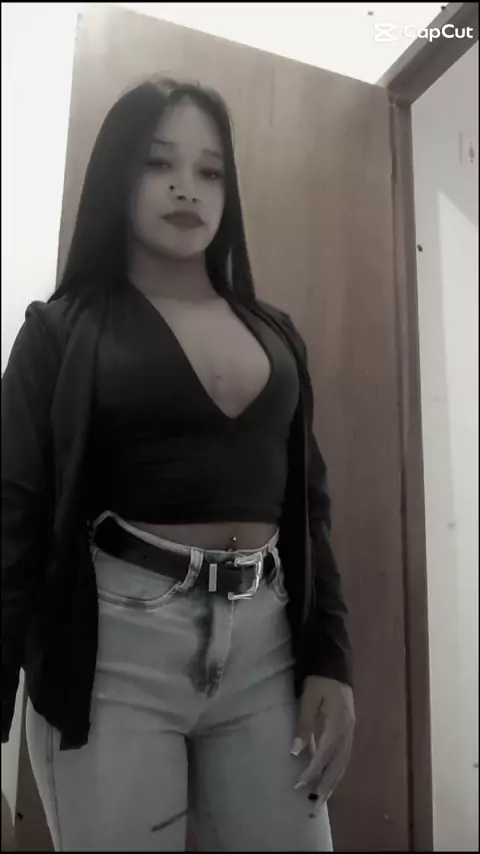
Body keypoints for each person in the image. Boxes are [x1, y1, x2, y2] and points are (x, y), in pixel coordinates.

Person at [1, 77, 355, 852]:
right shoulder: (60, 331)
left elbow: (310, 506)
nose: (186, 187)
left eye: (210, 170)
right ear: (116, 173)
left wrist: (331, 660)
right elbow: (10, 521)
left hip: (266, 647)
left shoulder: (276, 333)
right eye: (158, 162)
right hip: (113, 653)